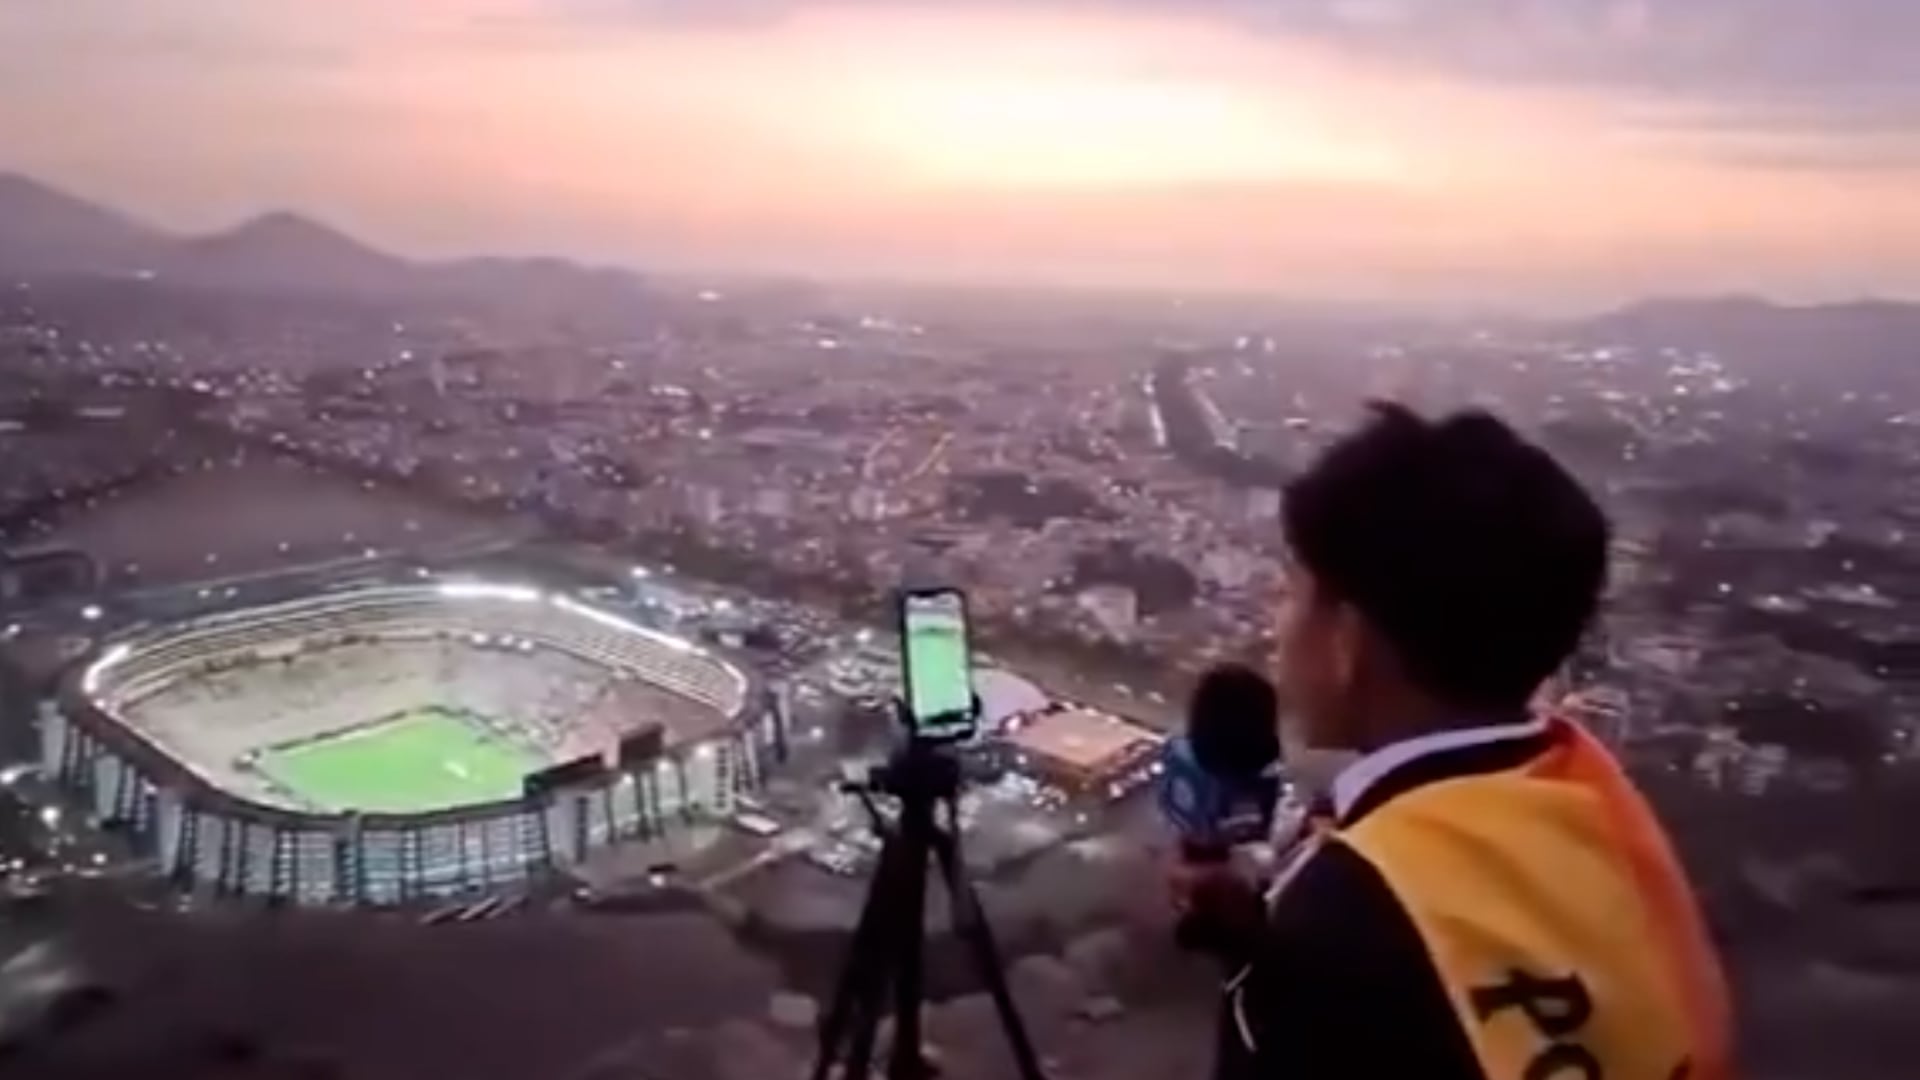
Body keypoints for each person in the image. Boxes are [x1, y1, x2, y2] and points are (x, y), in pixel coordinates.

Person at [1174, 403, 1732, 1080]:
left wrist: (1283, 962)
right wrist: (1256, 933)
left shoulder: (1349, 915)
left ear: (1347, 644)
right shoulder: (1583, 805)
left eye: (1292, 595)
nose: (1275, 627)